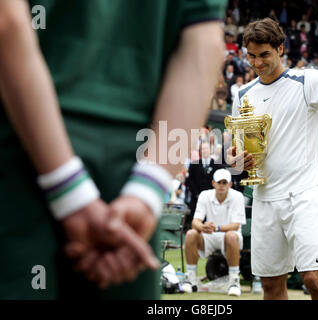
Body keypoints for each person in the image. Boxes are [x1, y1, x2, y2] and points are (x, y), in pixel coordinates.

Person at [0, 0, 226, 299]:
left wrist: (70, 190)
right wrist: (146, 191)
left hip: (20, 156)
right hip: (130, 176)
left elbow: (7, 22)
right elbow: (204, 44)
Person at [228, 14, 318, 300]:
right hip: (264, 198)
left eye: (264, 55)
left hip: (304, 195)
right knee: (270, 285)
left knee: (313, 279)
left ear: (280, 48)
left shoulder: (307, 80)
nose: (257, 63)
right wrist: (238, 162)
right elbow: (236, 154)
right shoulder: (243, 94)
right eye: (251, 56)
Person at [182, 169, 246, 296]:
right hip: (209, 236)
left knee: (231, 236)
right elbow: (196, 221)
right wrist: (203, 227)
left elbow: (236, 225)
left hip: (229, 237)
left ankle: (234, 281)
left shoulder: (238, 196)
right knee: (190, 234)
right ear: (213, 183)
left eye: (224, 182)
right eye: (219, 182)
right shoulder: (204, 195)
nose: (221, 185)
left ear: (230, 184)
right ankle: (191, 279)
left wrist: (216, 228)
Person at [186, 141, 223, 229]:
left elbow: (219, 181)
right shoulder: (193, 165)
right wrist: (197, 194)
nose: (205, 151)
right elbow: (190, 181)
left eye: (207, 148)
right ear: (200, 151)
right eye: (203, 149)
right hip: (196, 200)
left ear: (210, 150)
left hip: (213, 201)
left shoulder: (217, 165)